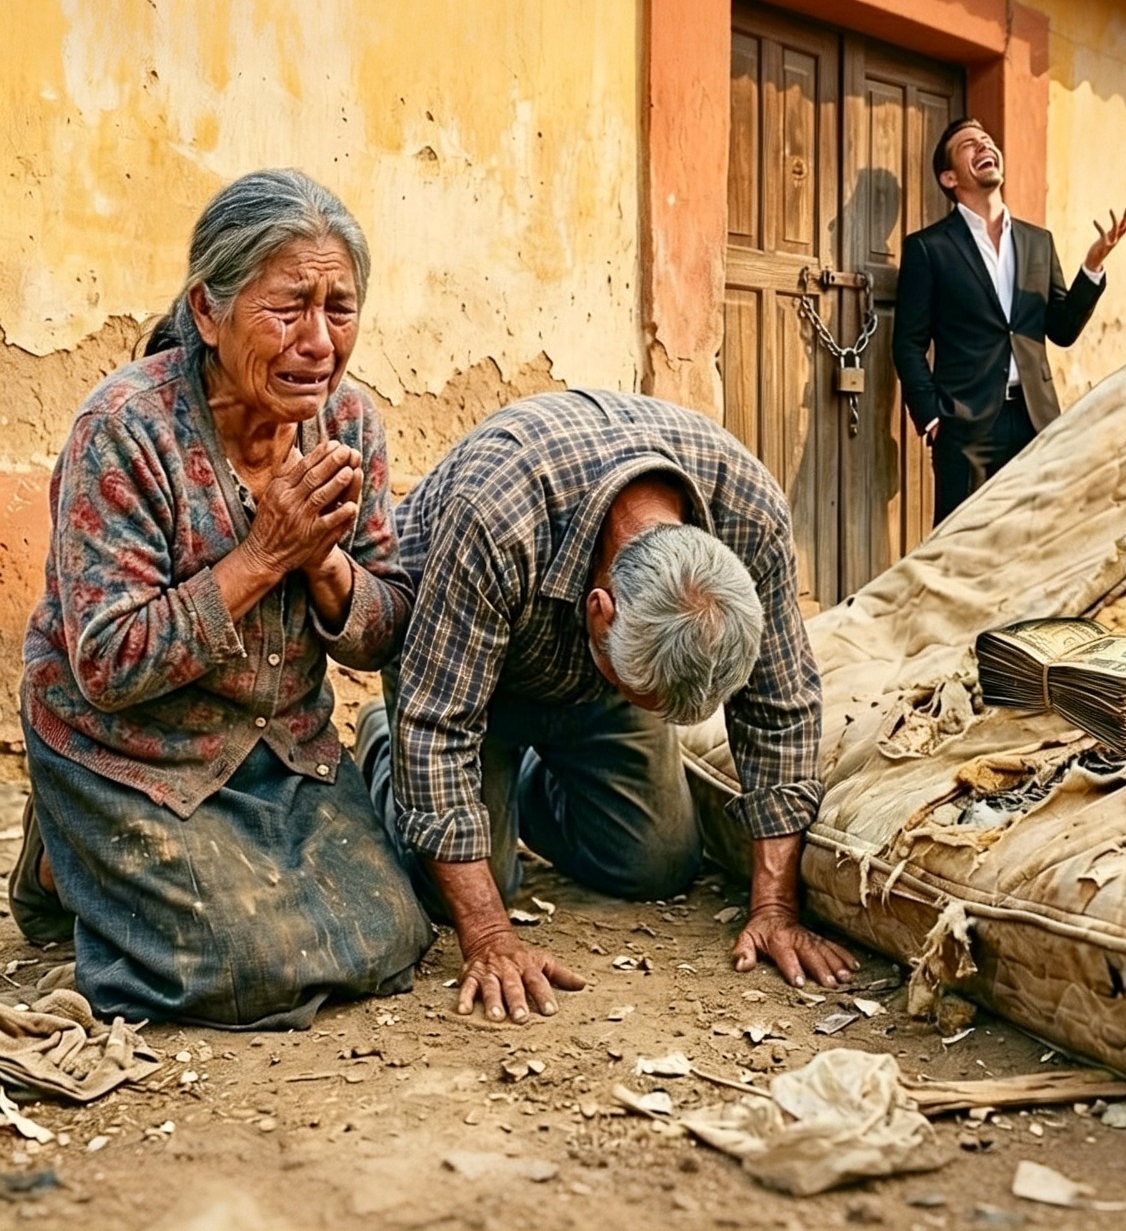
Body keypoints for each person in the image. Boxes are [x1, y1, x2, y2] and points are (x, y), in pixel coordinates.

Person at [10, 169, 434, 1029]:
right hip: (130, 749)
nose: (320, 340)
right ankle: (62, 853)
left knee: (394, 935)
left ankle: (88, 865)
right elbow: (107, 663)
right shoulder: (126, 428)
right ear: (208, 311)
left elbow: (384, 623)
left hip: (281, 748)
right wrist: (263, 553)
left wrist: (324, 568)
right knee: (241, 971)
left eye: (339, 307)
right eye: (288, 308)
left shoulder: (349, 425)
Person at [357, 390, 858, 1024]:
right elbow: (438, 727)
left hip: (588, 679)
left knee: (658, 862)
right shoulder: (499, 510)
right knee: (457, 887)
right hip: (462, 678)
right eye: (641, 692)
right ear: (602, 612)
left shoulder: (749, 513)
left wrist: (775, 908)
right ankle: (379, 741)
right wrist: (488, 937)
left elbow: (781, 706)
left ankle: (513, 795)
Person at [892, 117, 1126, 525]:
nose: (984, 145)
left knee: (1036, 539)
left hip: (1036, 421)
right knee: (961, 546)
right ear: (950, 177)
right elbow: (908, 343)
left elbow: (1061, 330)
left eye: (987, 140)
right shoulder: (928, 249)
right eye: (970, 144)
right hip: (964, 428)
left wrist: (1092, 267)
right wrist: (932, 417)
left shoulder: (1039, 242)